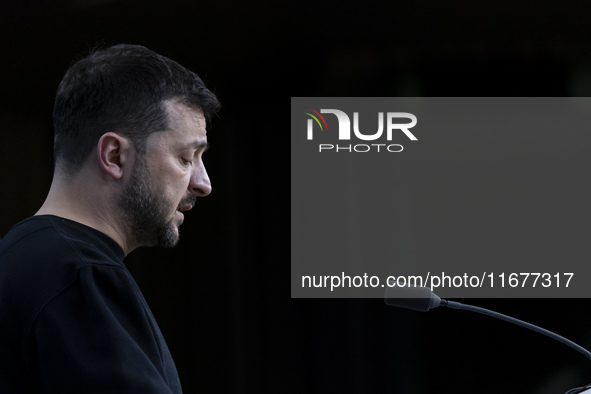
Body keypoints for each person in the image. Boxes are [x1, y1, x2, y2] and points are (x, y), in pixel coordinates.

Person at [0, 44, 220, 393]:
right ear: (114, 155)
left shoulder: (19, 259)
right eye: (185, 157)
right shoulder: (80, 276)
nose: (203, 183)